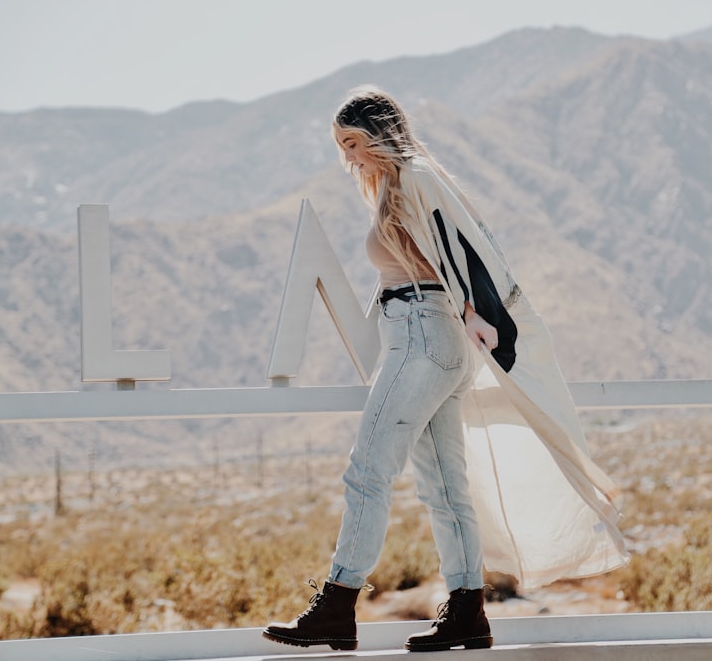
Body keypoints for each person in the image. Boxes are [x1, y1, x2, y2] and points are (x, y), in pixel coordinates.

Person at [263, 86, 629, 653]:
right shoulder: (404, 183)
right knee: (444, 488)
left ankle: (337, 604)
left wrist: (479, 313)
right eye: (341, 147)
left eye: (354, 143)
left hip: (422, 337)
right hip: (431, 340)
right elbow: (450, 249)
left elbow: (461, 250)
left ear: (380, 133)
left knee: (367, 471)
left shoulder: (413, 177)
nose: (349, 157)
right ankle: (467, 612)